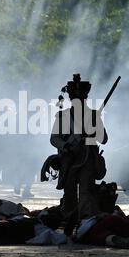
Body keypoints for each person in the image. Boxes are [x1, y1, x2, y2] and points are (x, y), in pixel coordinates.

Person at [49, 74, 108, 221]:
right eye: (75, 99)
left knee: (86, 191)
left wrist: (93, 131)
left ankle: (85, 219)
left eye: (80, 99)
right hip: (69, 158)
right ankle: (70, 218)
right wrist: (65, 146)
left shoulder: (94, 115)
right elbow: (54, 139)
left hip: (88, 158)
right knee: (69, 191)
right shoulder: (62, 116)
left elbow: (104, 139)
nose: (77, 101)